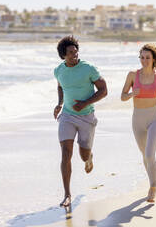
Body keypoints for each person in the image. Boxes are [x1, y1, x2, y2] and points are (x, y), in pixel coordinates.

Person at [53, 36, 107, 207]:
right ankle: (67, 194)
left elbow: (104, 90)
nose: (74, 56)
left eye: (76, 52)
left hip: (86, 117)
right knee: (66, 153)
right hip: (67, 116)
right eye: (70, 53)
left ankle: (89, 157)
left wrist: (85, 103)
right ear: (63, 55)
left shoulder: (88, 69)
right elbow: (60, 86)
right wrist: (60, 103)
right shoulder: (58, 71)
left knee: (83, 155)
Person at [121, 43, 156, 203]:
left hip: (155, 118)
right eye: (142, 57)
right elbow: (122, 96)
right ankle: (152, 181)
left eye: (148, 57)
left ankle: (153, 188)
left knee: (149, 154)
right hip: (138, 120)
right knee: (145, 156)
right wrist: (133, 93)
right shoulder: (132, 75)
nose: (144, 60)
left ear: (154, 59)